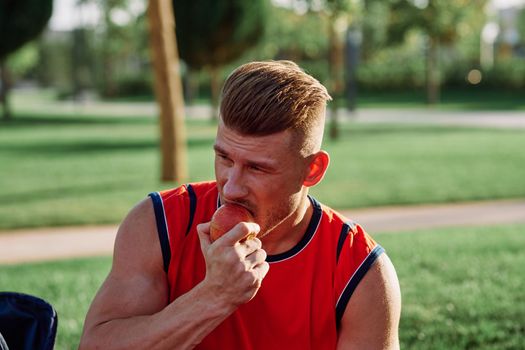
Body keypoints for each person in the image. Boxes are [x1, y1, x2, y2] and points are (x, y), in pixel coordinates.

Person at [80, 60, 401, 349]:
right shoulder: (158, 222)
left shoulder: (359, 270)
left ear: (312, 170)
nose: (230, 187)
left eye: (257, 168)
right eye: (224, 157)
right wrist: (213, 297)